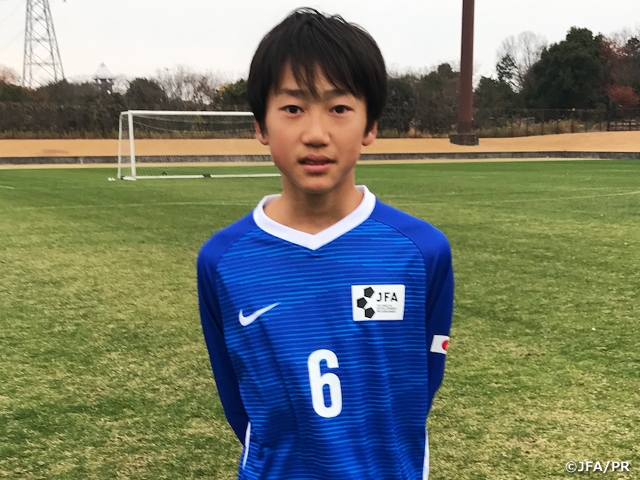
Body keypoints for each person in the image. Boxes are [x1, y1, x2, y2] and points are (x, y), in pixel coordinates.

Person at [197, 8, 453, 479]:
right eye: (293, 108)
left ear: (370, 126)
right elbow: (237, 399)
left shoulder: (421, 252)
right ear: (260, 126)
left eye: (339, 108)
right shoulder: (223, 260)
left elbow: (421, 383)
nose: (315, 134)